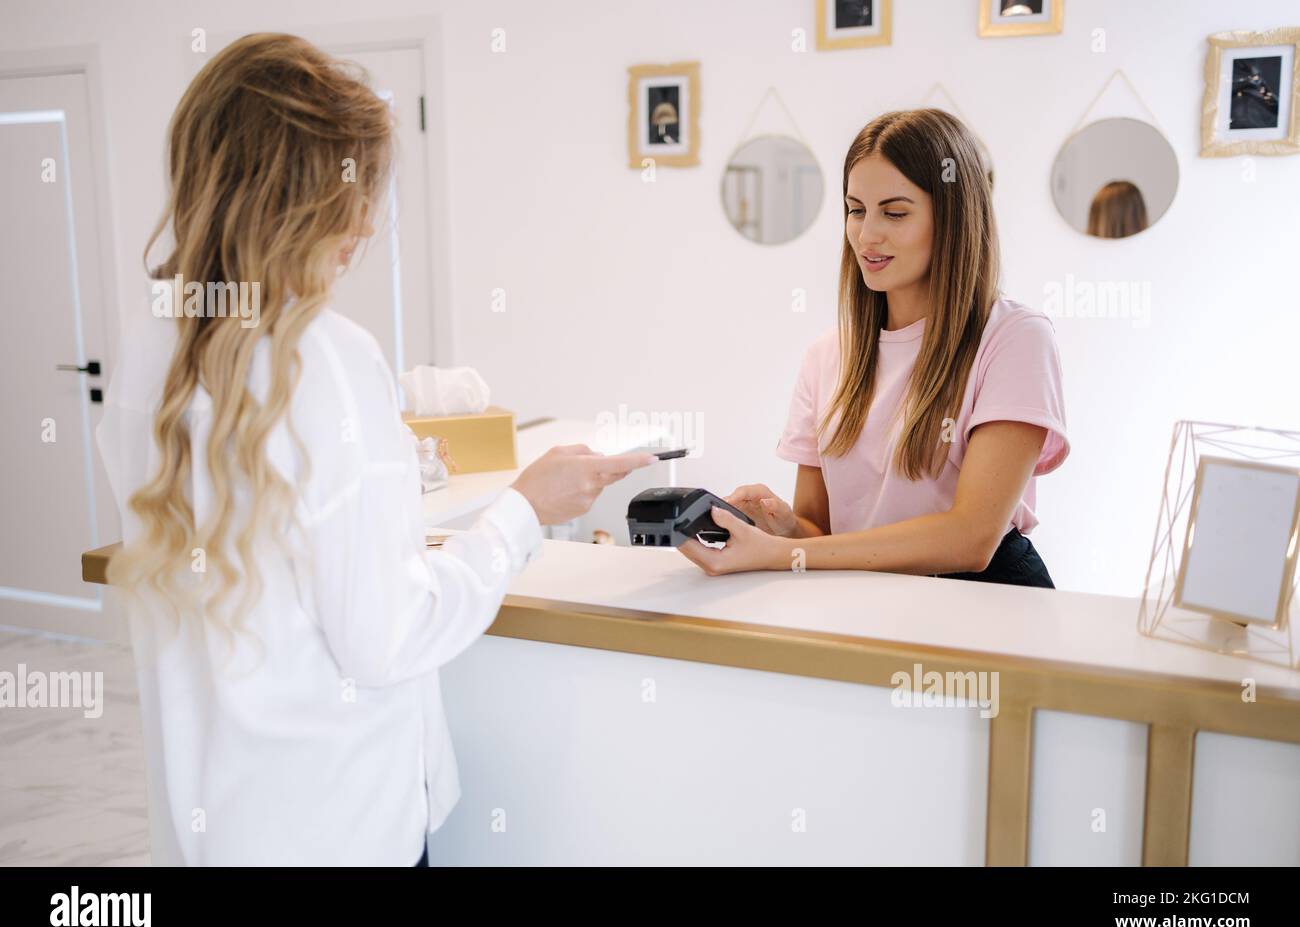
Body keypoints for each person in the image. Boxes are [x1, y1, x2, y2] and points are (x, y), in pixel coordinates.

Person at [95, 33, 654, 866]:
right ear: (293, 197)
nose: (362, 223)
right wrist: (524, 512)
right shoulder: (323, 355)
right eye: (349, 190)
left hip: (211, 821)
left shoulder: (146, 350)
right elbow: (387, 638)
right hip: (337, 824)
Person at [678, 109, 1068, 586]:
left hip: (985, 600)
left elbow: (972, 537)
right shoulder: (827, 356)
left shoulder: (1015, 338)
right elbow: (820, 533)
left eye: (895, 212)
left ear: (953, 219)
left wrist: (784, 553)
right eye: (856, 209)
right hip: (865, 598)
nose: (866, 235)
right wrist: (781, 528)